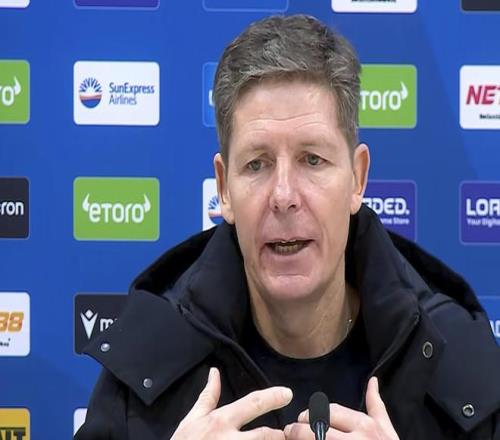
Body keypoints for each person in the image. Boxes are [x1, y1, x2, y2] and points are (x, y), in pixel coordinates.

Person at [75, 14, 500, 440]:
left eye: (312, 160)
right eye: (256, 164)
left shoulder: (455, 362)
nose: (283, 195)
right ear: (223, 188)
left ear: (358, 179)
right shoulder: (146, 365)